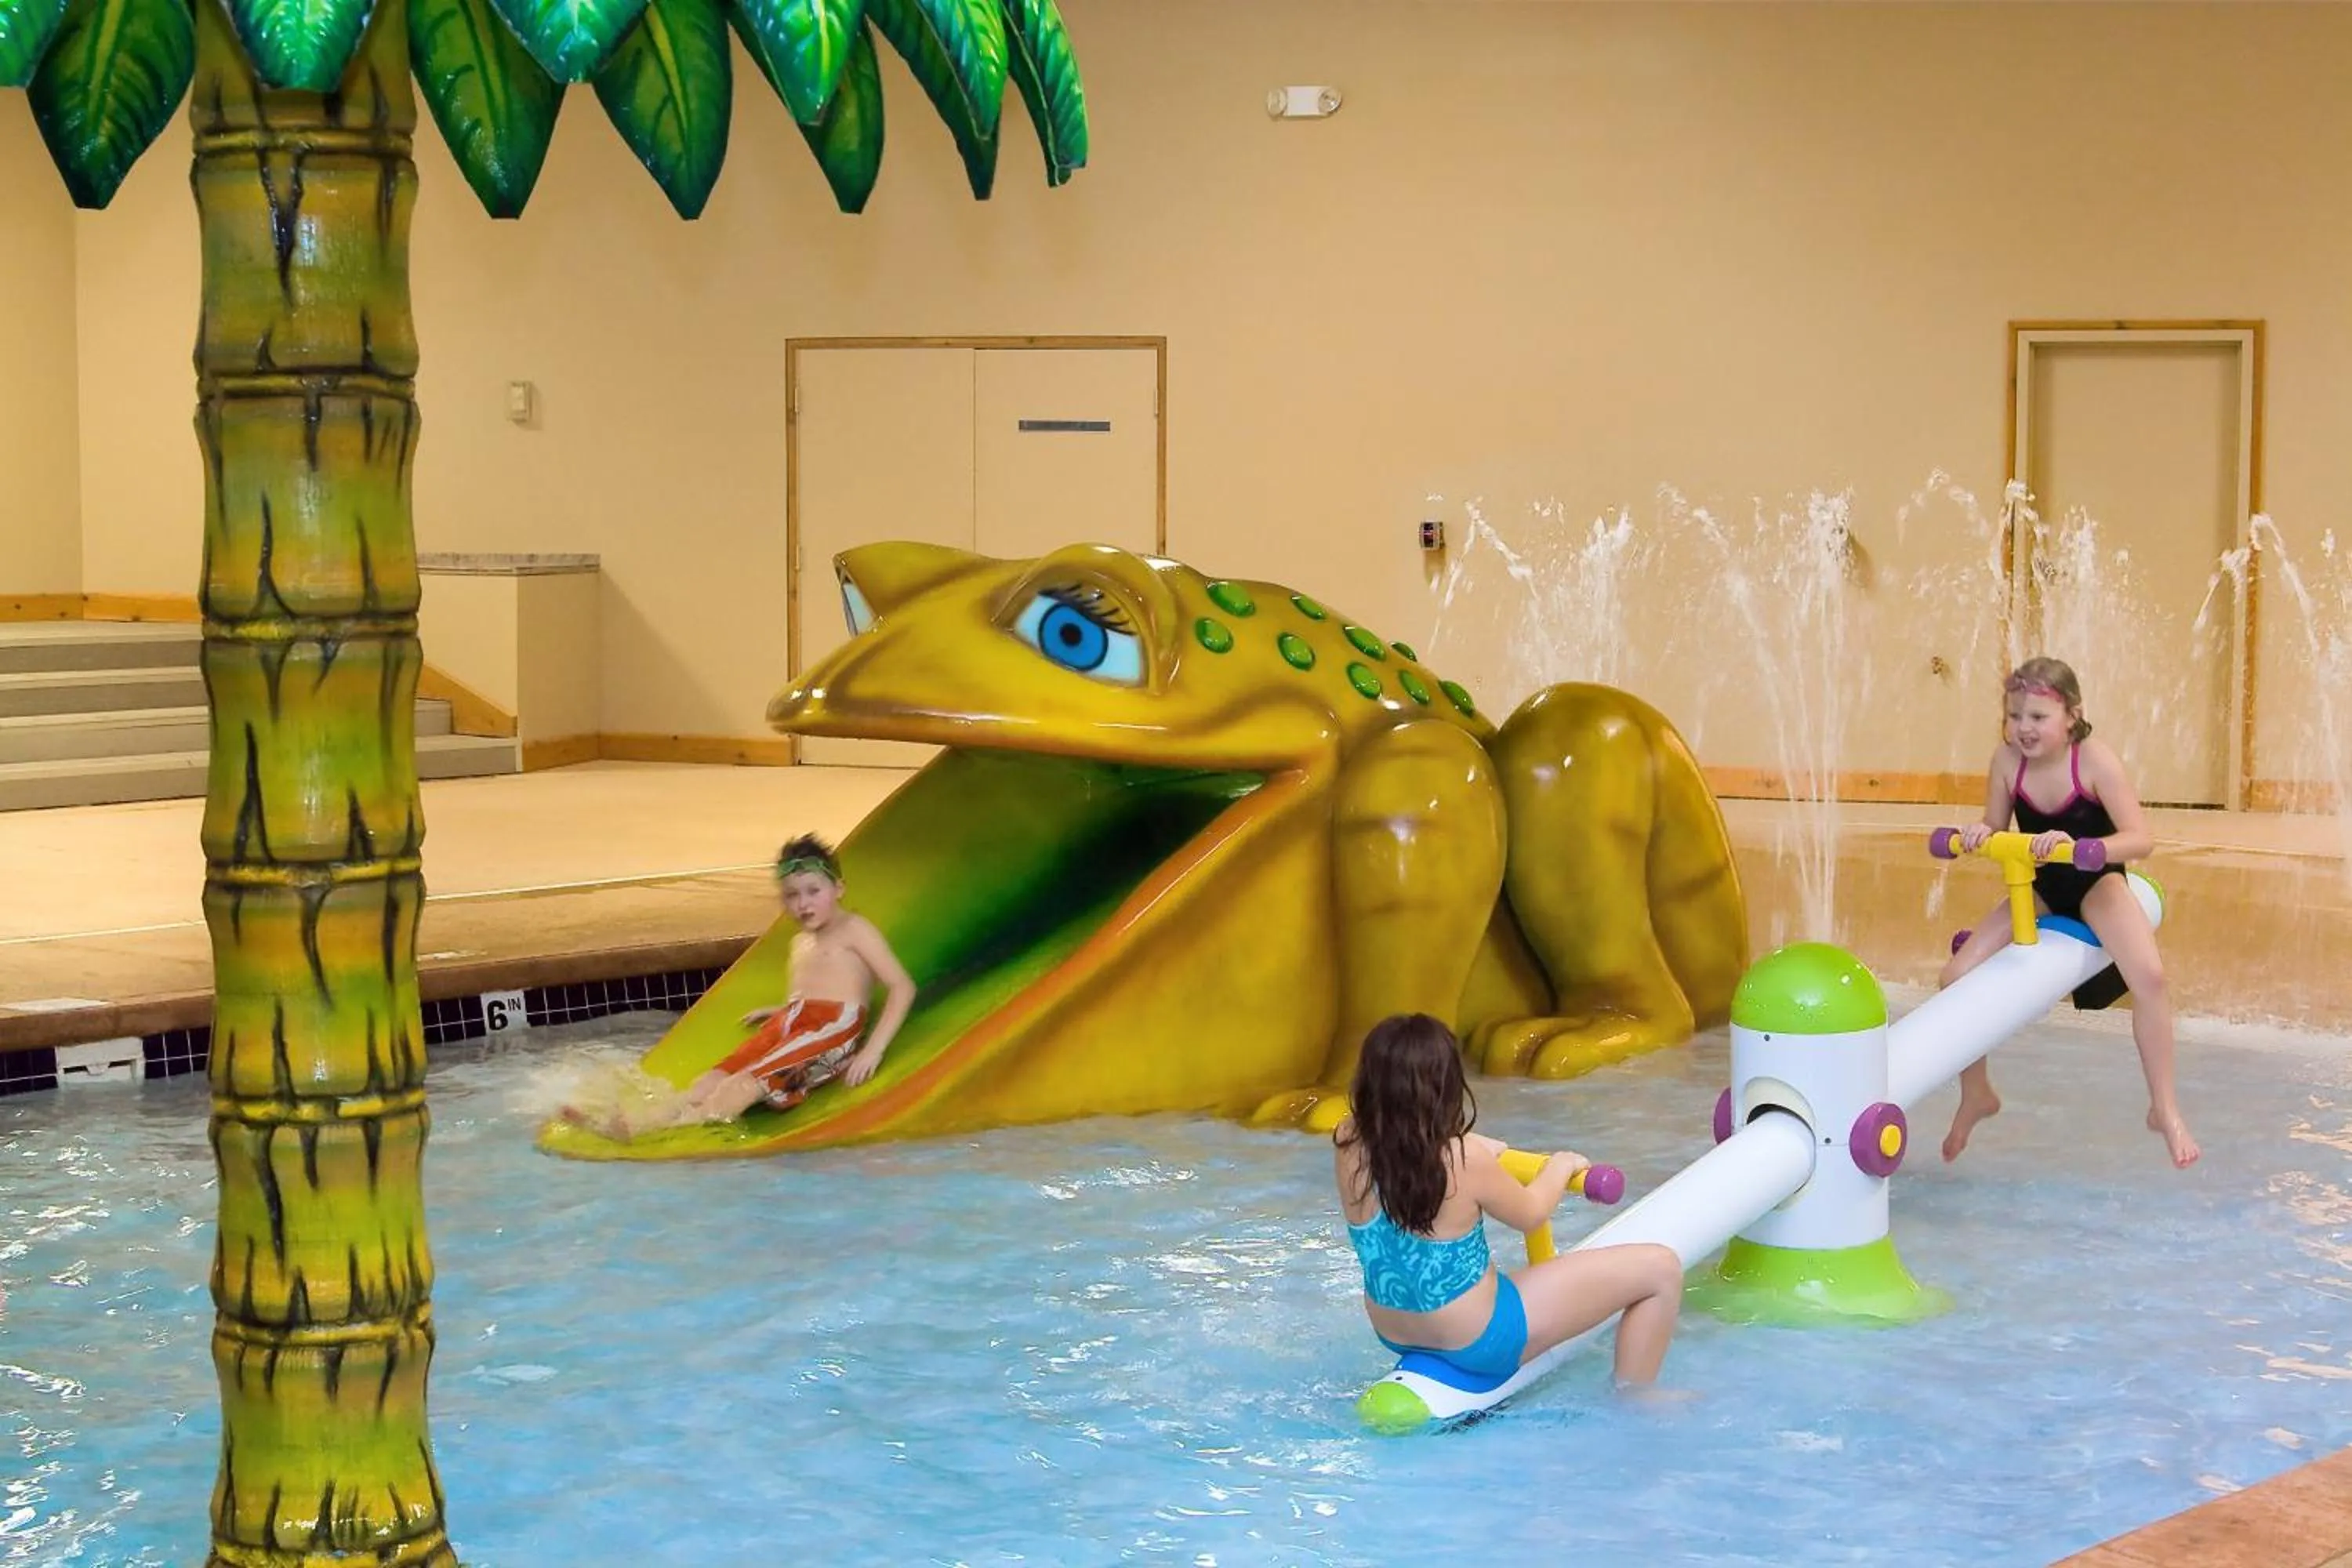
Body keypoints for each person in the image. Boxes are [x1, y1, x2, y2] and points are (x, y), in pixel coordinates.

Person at [1939, 658, 2199, 1170]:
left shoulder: (2095, 760)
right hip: (2039, 887)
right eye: (2015, 716)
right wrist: (1979, 834)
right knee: (1954, 976)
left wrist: (2081, 847)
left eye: (2038, 717)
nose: (2024, 728)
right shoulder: (2006, 761)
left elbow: (2140, 839)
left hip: (2096, 884)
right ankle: (1976, 1092)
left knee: (2150, 977)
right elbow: (1996, 827)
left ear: (2072, 717)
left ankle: (2164, 1108)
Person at [1332, 1013, 1685, 1391]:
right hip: (1476, 1341)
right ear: (1445, 1086)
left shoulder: (1348, 1140)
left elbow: (1407, 1152)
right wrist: (1560, 1165)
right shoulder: (1464, 1159)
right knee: (1661, 1269)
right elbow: (1532, 1213)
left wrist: (1469, 1145)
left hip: (1394, 1331)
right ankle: (1637, 1396)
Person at [564, 836, 914, 1140]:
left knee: (741, 1086)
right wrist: (782, 1011)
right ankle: (633, 1123)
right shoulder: (800, 942)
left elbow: (901, 987)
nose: (803, 904)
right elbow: (813, 991)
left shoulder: (854, 929)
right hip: (794, 1022)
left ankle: (663, 1132)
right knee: (709, 1080)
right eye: (791, 895)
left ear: (839, 889)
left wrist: (873, 1050)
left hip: (833, 1029)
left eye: (814, 891)